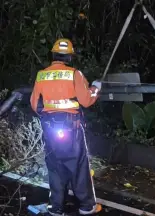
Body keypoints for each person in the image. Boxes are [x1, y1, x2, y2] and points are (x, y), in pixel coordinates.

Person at [30, 38, 102, 216]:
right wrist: (95, 89)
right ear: (69, 57)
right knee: (78, 166)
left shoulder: (42, 75)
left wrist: (49, 117)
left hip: (50, 130)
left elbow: (34, 104)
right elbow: (86, 100)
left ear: (53, 55)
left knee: (54, 167)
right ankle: (87, 206)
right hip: (72, 129)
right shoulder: (74, 74)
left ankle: (56, 208)